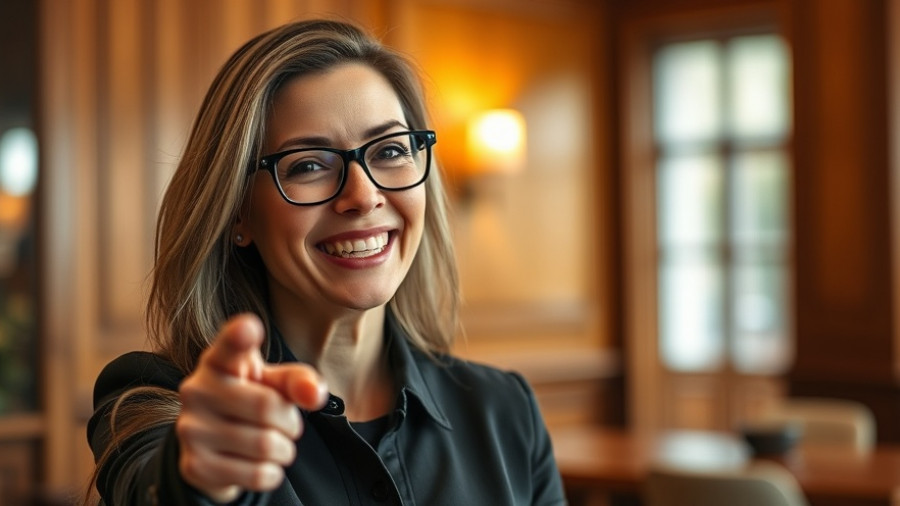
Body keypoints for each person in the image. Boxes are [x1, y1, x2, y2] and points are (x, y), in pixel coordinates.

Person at [85, 18, 566, 506]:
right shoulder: (156, 399)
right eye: (309, 164)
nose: (363, 196)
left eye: (390, 150)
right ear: (238, 212)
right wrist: (199, 477)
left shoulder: (506, 411)